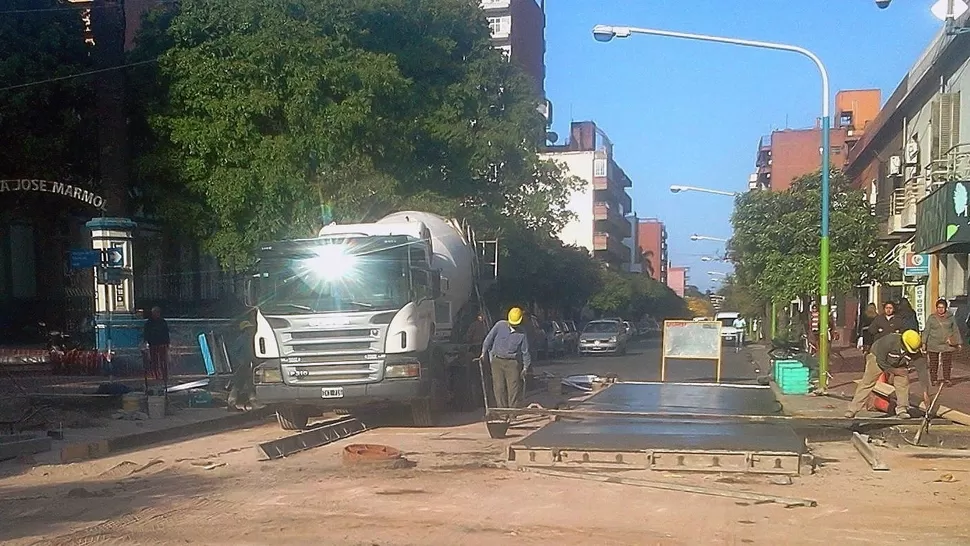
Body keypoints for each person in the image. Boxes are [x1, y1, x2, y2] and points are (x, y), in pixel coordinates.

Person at [845, 330, 931, 419]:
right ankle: (852, 409)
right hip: (877, 359)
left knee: (903, 383)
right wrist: (894, 371)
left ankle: (902, 409)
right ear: (903, 343)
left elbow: (922, 370)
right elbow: (880, 361)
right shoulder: (889, 341)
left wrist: (925, 393)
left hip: (898, 362)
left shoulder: (915, 349)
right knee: (867, 382)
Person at [480, 307, 532, 413]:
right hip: (497, 361)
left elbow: (525, 352)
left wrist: (525, 367)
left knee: (513, 389)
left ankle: (512, 412)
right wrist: (483, 353)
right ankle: (503, 413)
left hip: (512, 363)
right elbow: (488, 339)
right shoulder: (500, 325)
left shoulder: (522, 333)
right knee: (499, 388)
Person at [923, 299, 962, 387]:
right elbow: (926, 331)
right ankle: (934, 379)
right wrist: (924, 343)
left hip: (947, 344)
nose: (940, 309)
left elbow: (955, 330)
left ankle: (947, 379)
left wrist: (958, 342)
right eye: (939, 307)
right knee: (933, 363)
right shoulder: (931, 318)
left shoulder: (950, 317)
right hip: (933, 343)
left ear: (946, 308)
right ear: (936, 308)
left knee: (947, 362)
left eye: (942, 307)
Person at [143, 306, 171, 384]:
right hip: (153, 344)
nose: (156, 314)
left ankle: (164, 375)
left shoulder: (163, 322)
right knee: (154, 361)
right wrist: (147, 342)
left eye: (158, 312)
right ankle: (156, 375)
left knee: (163, 361)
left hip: (162, 344)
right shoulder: (149, 323)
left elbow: (166, 333)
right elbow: (146, 333)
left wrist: (167, 342)